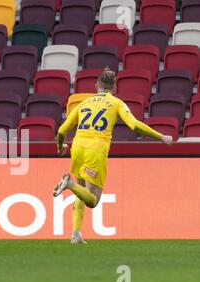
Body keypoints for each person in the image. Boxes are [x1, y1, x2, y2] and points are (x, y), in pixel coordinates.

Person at [53, 67, 172, 244]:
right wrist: (161, 136)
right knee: (92, 201)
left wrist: (61, 146)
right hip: (96, 149)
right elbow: (134, 126)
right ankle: (68, 183)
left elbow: (62, 130)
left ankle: (75, 234)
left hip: (77, 146)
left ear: (96, 86)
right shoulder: (116, 103)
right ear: (114, 88)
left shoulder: (84, 103)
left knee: (82, 192)